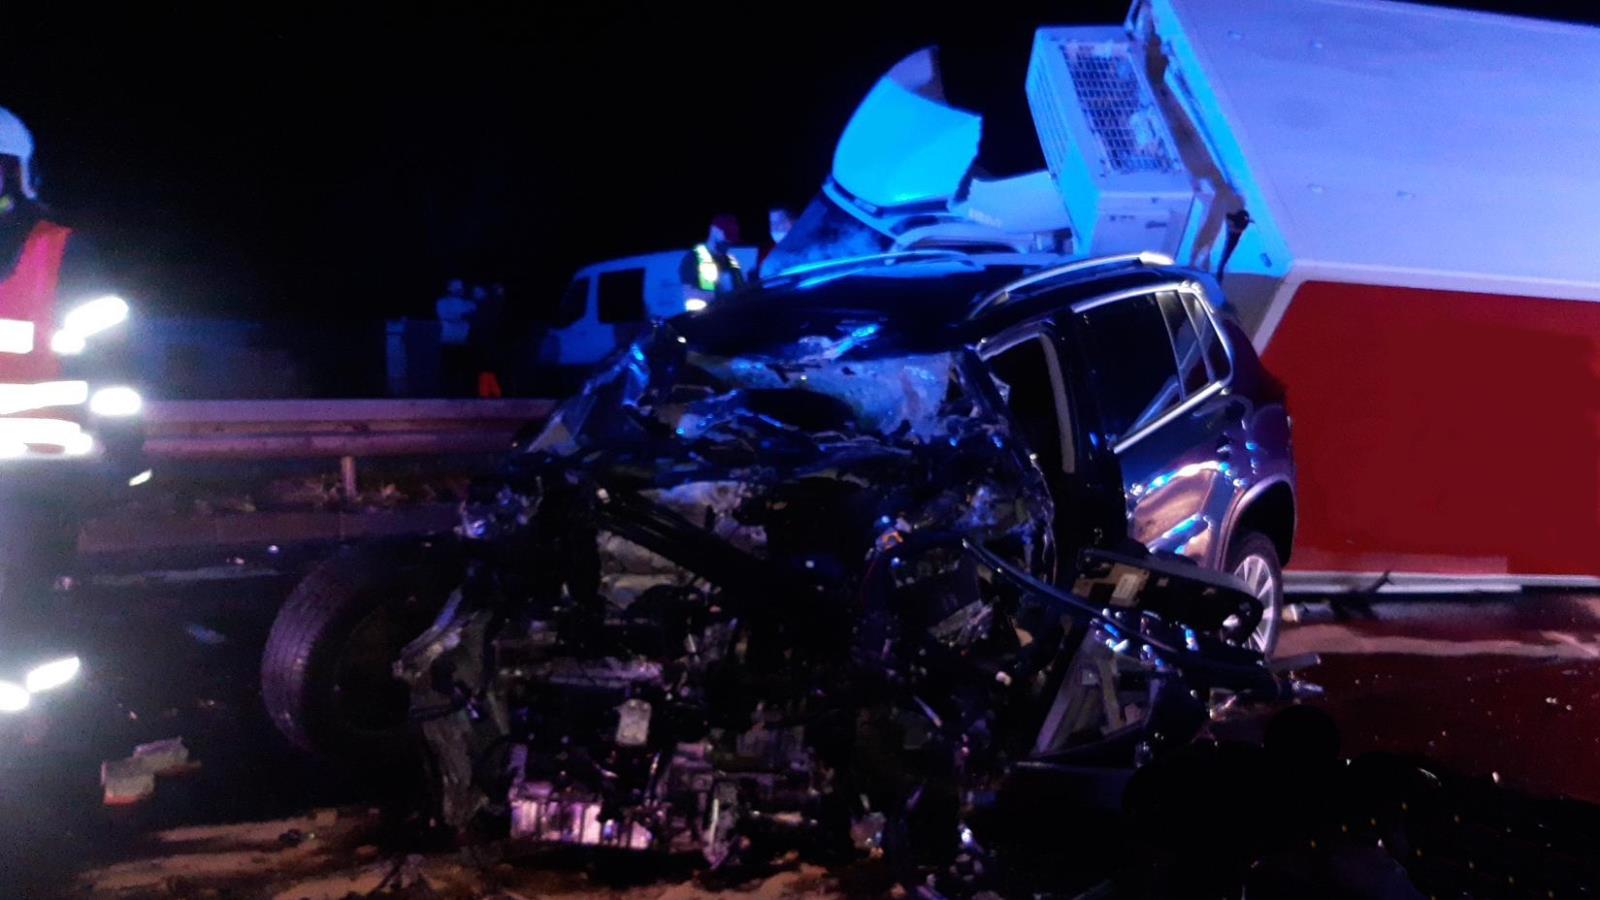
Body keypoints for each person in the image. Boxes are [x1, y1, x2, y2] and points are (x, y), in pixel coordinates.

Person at [678, 214, 744, 310]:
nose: (728, 245)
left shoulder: (731, 259)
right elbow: (691, 298)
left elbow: (740, 288)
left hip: (733, 313)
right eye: (725, 241)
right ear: (714, 234)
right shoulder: (693, 259)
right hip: (707, 316)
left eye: (730, 242)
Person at [435, 278, 476, 394]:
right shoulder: (442, 302)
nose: (459, 288)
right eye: (455, 286)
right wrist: (462, 315)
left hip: (465, 342)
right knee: (448, 374)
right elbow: (444, 315)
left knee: (466, 374)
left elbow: (473, 314)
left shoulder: (469, 303)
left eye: (460, 286)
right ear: (449, 288)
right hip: (448, 342)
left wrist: (459, 316)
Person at [757, 206, 794, 274]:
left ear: (792, 222)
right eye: (772, 223)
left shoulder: (808, 248)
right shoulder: (766, 253)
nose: (776, 227)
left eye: (780, 222)